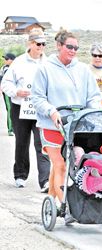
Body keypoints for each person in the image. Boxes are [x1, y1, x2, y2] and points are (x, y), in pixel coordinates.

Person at [31, 30, 102, 222]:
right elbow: (37, 98)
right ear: (59, 46)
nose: (73, 51)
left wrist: (93, 111)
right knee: (60, 164)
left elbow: (94, 96)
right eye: (69, 47)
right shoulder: (45, 69)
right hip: (51, 125)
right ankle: (67, 207)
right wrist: (52, 111)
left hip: (77, 126)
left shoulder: (83, 70)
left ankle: (52, 199)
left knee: (69, 165)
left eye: (76, 48)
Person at [1, 28, 50, 192]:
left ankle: (45, 180)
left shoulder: (48, 62)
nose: (41, 47)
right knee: (22, 142)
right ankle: (20, 175)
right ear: (30, 43)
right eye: (38, 44)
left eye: (43, 44)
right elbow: (6, 84)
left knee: (42, 143)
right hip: (20, 107)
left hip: (40, 109)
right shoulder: (19, 62)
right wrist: (16, 92)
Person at [0, 52, 16, 136]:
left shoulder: (18, 67)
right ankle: (10, 129)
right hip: (7, 92)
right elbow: (1, 79)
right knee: (10, 109)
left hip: (17, 92)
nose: (5, 60)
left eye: (7, 59)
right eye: (5, 59)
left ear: (12, 60)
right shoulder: (4, 68)